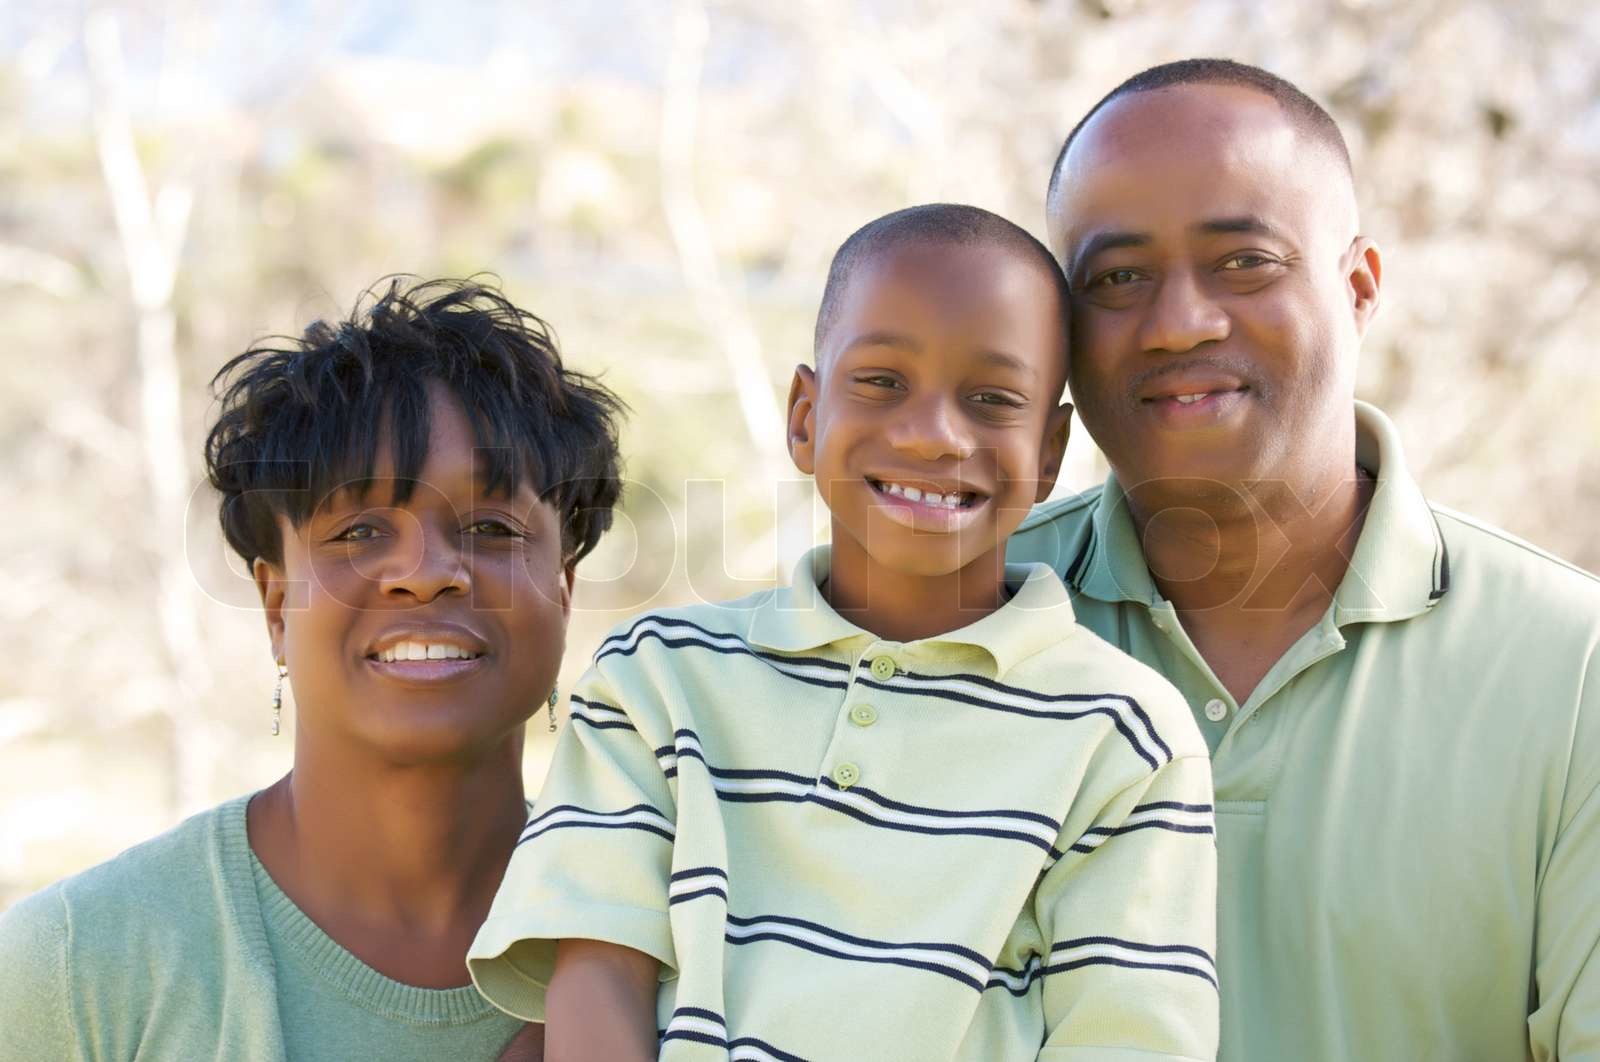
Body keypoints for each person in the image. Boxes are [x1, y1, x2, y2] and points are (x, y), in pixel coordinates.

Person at [467, 204, 1220, 1061]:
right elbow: (599, 976)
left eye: (992, 399)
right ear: (803, 417)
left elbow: (1123, 1039)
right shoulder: (659, 677)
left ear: (1049, 453)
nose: (935, 433)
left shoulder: (1122, 735)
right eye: (882, 382)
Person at [1009, 58, 1600, 1061]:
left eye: (1243, 262)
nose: (1179, 321)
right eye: (1116, 278)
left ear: (1359, 286)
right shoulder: (959, 620)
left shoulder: (1573, 669)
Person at [0, 278, 625, 1061]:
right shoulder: (73, 967)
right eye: (360, 530)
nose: (426, 572)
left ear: (563, 591)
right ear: (274, 605)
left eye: (491, 527)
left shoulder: (670, 946)